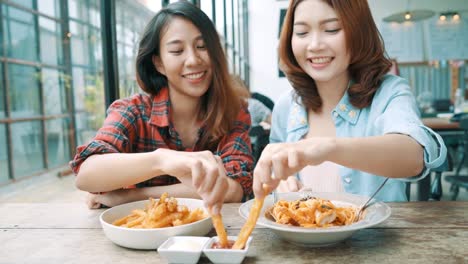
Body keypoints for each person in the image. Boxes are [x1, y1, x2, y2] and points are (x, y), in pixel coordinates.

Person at [253, 0, 447, 202]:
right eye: (302, 33)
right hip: (305, 233)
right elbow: (276, 178)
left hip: (378, 233)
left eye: (332, 29)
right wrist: (282, 182)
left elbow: (414, 157)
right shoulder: (287, 106)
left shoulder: (389, 92)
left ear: (359, 32)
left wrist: (328, 148)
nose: (315, 45)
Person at [70, 1, 253, 214]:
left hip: (206, 237)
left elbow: (234, 190)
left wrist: (127, 197)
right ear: (158, 63)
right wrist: (162, 160)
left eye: (202, 47)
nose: (193, 60)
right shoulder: (132, 111)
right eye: (177, 51)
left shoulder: (233, 111)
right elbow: (87, 175)